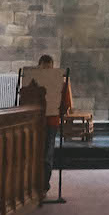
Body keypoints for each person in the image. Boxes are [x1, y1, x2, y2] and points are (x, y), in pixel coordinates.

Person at [37, 53, 71, 192]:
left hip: (50, 122)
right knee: (41, 153)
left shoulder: (60, 83)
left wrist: (59, 114)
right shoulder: (33, 80)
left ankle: (44, 184)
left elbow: (65, 103)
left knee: (47, 154)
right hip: (36, 122)